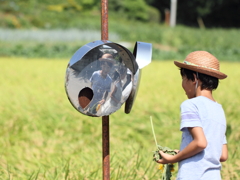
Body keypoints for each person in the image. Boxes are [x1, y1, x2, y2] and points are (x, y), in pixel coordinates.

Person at [156, 51, 228, 179]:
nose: (183, 84)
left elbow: (200, 143)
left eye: (183, 78)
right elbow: (223, 155)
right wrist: (184, 152)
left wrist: (174, 158)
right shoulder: (219, 109)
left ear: (194, 79)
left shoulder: (191, 105)